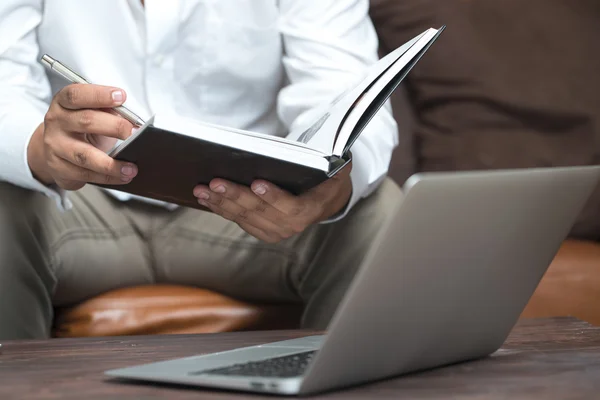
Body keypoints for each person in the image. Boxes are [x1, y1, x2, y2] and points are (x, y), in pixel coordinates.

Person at [0, 0, 400, 340]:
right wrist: (38, 149)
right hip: (79, 198)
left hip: (244, 207)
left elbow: (342, 81)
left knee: (378, 213)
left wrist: (331, 180)